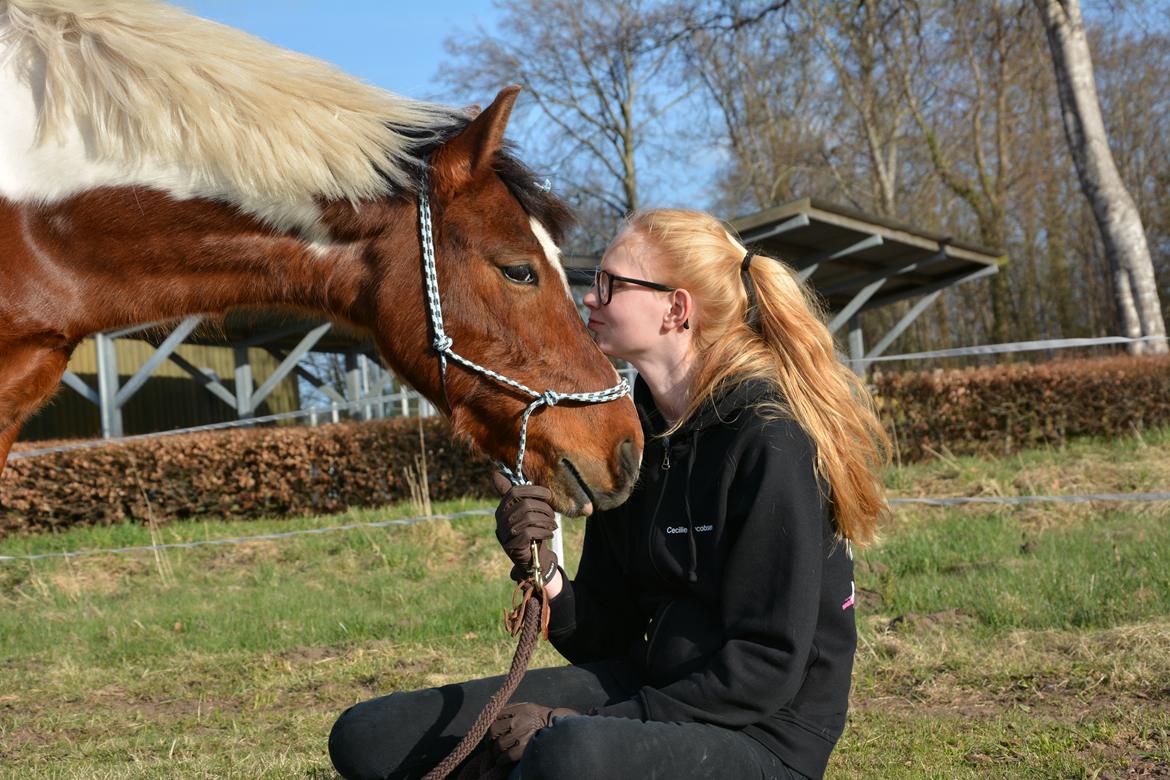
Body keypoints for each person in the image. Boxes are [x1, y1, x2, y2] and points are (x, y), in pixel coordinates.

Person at [328, 209, 890, 780]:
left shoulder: (770, 437)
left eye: (610, 283)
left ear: (676, 309)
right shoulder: (636, 435)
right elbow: (607, 636)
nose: (589, 299)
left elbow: (765, 668)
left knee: (567, 754)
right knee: (369, 735)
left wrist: (573, 723)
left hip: (762, 734)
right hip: (647, 683)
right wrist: (544, 572)